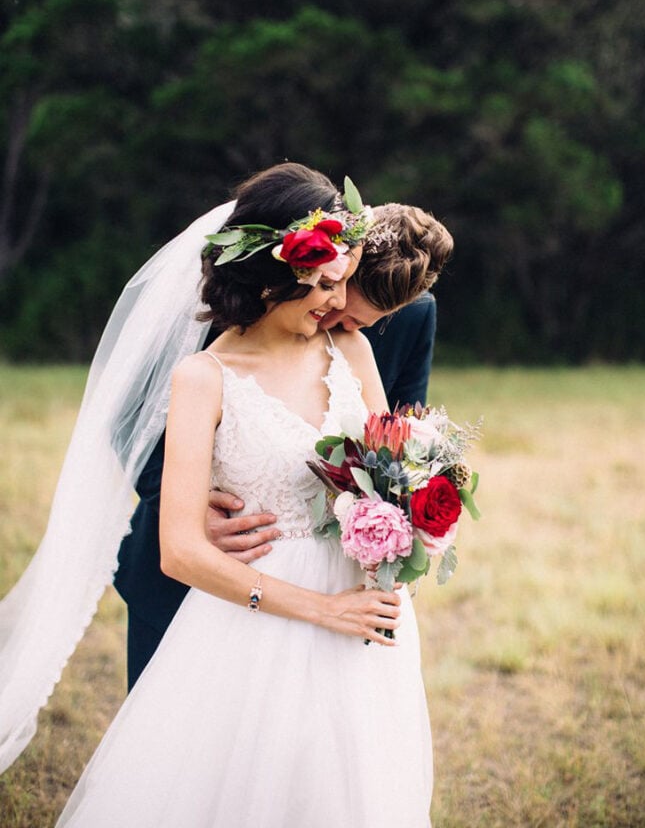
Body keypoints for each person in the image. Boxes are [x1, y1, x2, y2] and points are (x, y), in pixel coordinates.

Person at [47, 162, 433, 826]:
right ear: (274, 273)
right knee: (200, 767)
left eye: (343, 285)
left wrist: (410, 528)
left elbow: (391, 457)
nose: (337, 309)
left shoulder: (353, 345)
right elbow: (133, 431)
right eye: (323, 286)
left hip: (356, 605)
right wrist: (185, 496)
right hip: (236, 595)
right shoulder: (201, 365)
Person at [115, 200, 454, 689]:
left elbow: (401, 443)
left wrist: (401, 534)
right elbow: (130, 416)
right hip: (195, 567)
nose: (333, 316)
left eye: (361, 322)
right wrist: (187, 509)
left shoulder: (409, 316)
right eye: (329, 294)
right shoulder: (233, 298)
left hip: (332, 584)